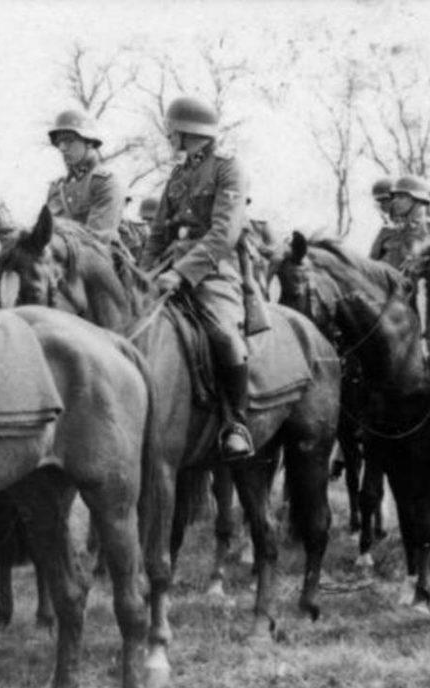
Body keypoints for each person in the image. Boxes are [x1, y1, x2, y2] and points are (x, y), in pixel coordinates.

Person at [143, 96, 253, 460]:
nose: (169, 136)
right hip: (166, 268)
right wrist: (145, 273)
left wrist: (183, 274)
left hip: (212, 273)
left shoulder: (229, 168)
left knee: (224, 334)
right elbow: (158, 232)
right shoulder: (177, 174)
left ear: (188, 132)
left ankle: (236, 423)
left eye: (172, 130)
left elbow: (224, 233)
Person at [44, 109, 124, 242]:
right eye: (59, 143)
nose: (62, 148)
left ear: (89, 142)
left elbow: (96, 241)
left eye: (69, 141)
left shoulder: (104, 182)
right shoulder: (56, 188)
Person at [373, 175, 430, 273]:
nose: (394, 201)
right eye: (394, 197)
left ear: (418, 200)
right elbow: (370, 266)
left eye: (401, 197)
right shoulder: (387, 232)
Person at [367, 177, 396, 259]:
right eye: (379, 201)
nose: (382, 205)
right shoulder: (386, 230)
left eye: (385, 200)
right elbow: (373, 258)